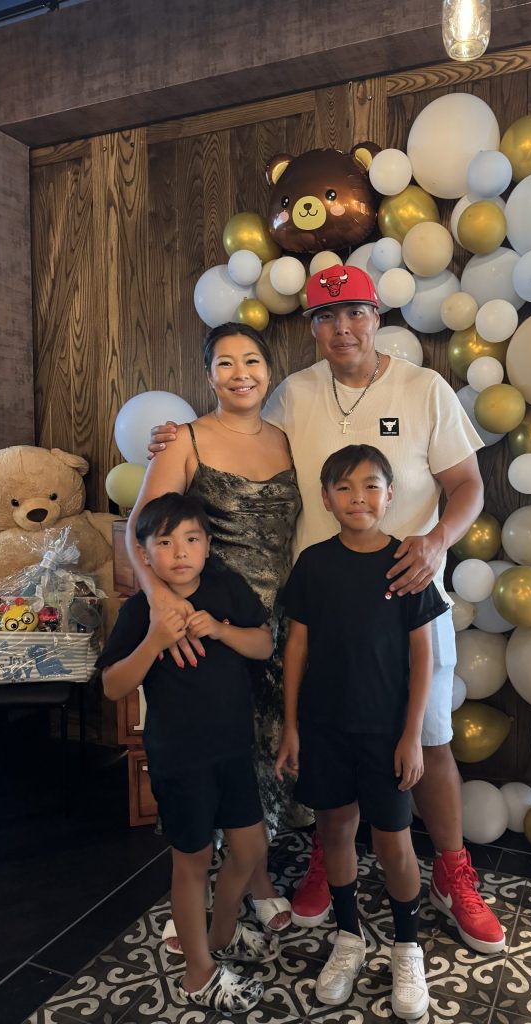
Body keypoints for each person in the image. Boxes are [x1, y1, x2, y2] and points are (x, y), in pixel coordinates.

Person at [151, 264, 506, 955]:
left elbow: (467, 484)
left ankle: (453, 874)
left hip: (407, 594)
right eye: (327, 317)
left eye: (356, 314)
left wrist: (435, 542)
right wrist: (178, 444)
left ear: (377, 318)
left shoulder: (423, 387)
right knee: (324, 735)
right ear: (311, 328)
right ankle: (326, 857)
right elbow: (241, 441)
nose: (343, 329)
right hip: (318, 604)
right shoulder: (292, 394)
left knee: (430, 741)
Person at [131, 322, 313, 946]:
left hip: (278, 621)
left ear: (269, 369)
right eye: (226, 363)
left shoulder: (289, 439)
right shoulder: (184, 439)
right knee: (231, 746)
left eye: (253, 361)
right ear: (207, 374)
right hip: (214, 620)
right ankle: (250, 889)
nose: (241, 373)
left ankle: (247, 879)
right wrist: (159, 601)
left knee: (267, 752)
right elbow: (142, 528)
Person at [275, 444, 447, 1018]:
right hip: (324, 728)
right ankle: (348, 937)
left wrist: (411, 735)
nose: (358, 498)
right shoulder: (314, 564)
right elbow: (295, 646)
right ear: (325, 499)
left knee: (396, 842)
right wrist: (292, 727)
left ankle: (406, 946)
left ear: (390, 495)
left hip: (385, 732)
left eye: (371, 486)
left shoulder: (407, 562)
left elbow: (422, 656)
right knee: (336, 831)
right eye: (344, 489)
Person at [98, 493, 278, 1012]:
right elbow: (113, 686)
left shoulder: (225, 588)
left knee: (249, 850)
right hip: (180, 758)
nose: (180, 552)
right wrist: (154, 641)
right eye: (165, 541)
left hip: (232, 751)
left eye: (192, 539)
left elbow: (264, 645)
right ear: (146, 555)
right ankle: (198, 973)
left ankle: (220, 936)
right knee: (192, 860)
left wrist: (220, 629)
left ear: (208, 546)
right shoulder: (141, 611)